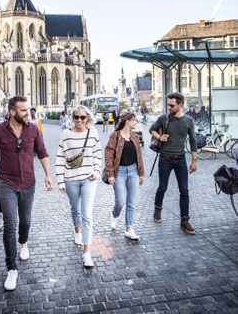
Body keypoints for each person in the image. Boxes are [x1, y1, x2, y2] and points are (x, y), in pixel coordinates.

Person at [0, 95, 53, 291]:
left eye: (28, 109)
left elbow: (43, 152)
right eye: (23, 110)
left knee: (26, 221)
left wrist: (48, 175)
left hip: (29, 183)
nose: (28, 113)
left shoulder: (33, 129)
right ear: (12, 112)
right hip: (7, 184)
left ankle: (23, 242)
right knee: (10, 225)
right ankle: (11, 268)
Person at [55, 105, 102, 268]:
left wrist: (96, 171)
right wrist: (60, 181)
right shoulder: (66, 134)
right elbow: (60, 157)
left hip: (89, 179)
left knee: (87, 214)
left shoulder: (93, 133)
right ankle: (77, 231)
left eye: (83, 117)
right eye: (77, 117)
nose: (80, 120)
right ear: (72, 118)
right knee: (75, 209)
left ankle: (87, 254)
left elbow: (97, 155)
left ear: (88, 118)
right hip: (70, 180)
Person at [149, 92, 197, 235]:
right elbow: (152, 129)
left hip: (180, 159)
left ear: (180, 105)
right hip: (165, 158)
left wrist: (194, 161)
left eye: (172, 105)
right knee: (162, 187)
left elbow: (193, 141)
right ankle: (157, 210)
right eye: (168, 105)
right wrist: (160, 136)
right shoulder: (164, 118)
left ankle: (184, 220)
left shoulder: (188, 120)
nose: (169, 107)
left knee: (184, 190)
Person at [105, 112, 145, 240]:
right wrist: (110, 174)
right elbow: (108, 155)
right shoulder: (115, 136)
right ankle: (114, 215)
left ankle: (129, 228)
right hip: (119, 172)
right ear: (127, 121)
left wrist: (141, 173)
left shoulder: (135, 137)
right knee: (120, 201)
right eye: (134, 120)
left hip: (133, 171)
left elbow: (139, 156)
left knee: (131, 203)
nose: (136, 123)